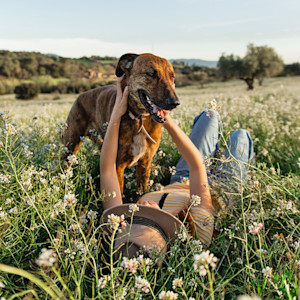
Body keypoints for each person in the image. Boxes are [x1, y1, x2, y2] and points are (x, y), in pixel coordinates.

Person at [100, 75, 254, 261]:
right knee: (241, 136)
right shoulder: (197, 233)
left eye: (136, 217)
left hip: (181, 178)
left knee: (210, 116)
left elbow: (107, 170)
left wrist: (117, 113)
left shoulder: (120, 229)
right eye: (151, 218)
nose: (142, 207)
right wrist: (166, 119)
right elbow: (197, 167)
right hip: (220, 189)